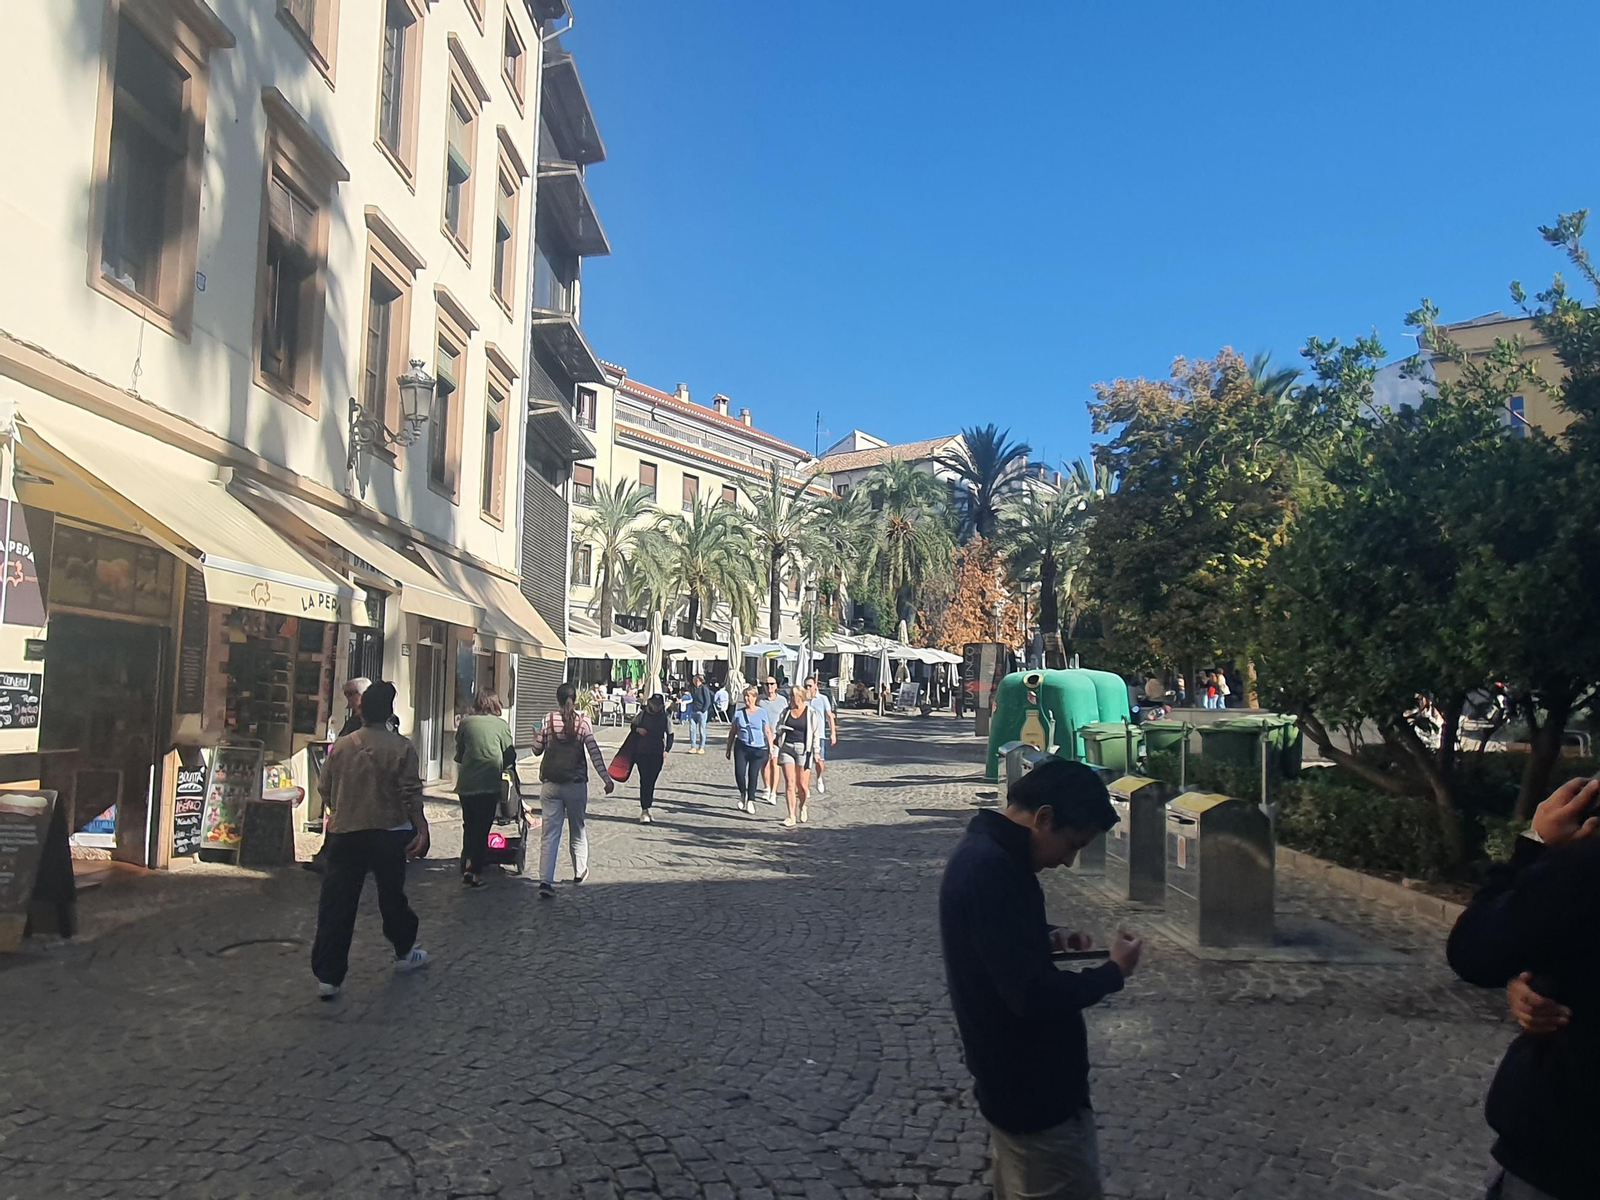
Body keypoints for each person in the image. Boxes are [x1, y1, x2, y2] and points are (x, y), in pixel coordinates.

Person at [939, 757, 1142, 1199]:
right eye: (1072, 844)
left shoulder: (989, 855)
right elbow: (1030, 996)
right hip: (1032, 1094)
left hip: (1022, 1087)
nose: (1068, 861)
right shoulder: (993, 869)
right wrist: (1112, 973)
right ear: (1044, 818)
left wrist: (1046, 936)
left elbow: (994, 939)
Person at [1446, 776, 1600, 1200]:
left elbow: (1474, 950)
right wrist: (1535, 976)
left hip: (1565, 1158)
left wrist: (1536, 845)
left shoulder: (1584, 868)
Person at [309, 682, 431, 1000]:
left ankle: (329, 976)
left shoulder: (341, 747)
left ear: (362, 711)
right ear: (388, 712)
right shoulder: (402, 748)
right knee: (392, 898)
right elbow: (411, 793)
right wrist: (421, 827)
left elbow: (324, 788)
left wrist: (342, 809)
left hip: (346, 832)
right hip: (389, 831)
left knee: (338, 902)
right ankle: (404, 950)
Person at [530, 682, 613, 899]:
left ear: (557, 699)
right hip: (576, 785)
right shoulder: (583, 721)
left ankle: (545, 881)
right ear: (574, 699)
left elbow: (537, 750)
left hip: (551, 784)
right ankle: (579, 870)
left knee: (550, 834)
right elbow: (594, 751)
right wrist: (606, 778)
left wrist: (536, 735)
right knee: (577, 828)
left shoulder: (548, 720)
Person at [453, 690, 515, 889]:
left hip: (467, 783)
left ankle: (466, 863)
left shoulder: (466, 723)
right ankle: (475, 872)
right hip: (488, 783)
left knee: (469, 824)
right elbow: (510, 755)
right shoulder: (501, 725)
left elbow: (459, 751)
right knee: (482, 828)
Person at [775, 684, 820, 828]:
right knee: (790, 783)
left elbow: (815, 733)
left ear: (799, 697)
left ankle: (803, 805)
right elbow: (778, 726)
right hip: (787, 748)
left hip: (803, 749)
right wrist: (780, 730)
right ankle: (791, 815)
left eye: (792, 695)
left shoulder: (810, 712)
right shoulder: (786, 711)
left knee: (802, 785)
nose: (790, 698)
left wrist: (816, 751)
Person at [726, 685, 773, 814]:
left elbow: (767, 731)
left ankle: (751, 800)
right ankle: (743, 793)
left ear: (755, 698)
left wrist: (771, 748)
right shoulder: (739, 713)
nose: (747, 699)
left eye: (749, 696)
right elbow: (733, 731)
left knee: (753, 774)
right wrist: (729, 748)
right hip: (742, 746)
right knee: (740, 773)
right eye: (745, 696)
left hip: (758, 748)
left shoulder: (762, 712)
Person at [630, 694, 671, 824]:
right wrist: (638, 729)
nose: (656, 707)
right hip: (642, 752)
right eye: (654, 704)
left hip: (657, 752)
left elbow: (670, 734)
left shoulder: (665, 717)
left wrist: (667, 750)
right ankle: (645, 809)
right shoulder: (642, 715)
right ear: (650, 704)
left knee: (651, 781)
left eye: (659, 705)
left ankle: (647, 807)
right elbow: (632, 726)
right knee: (644, 780)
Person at [805, 676, 839, 796]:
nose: (808, 688)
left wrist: (833, 733)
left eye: (810, 686)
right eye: (806, 686)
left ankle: (819, 777)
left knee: (819, 761)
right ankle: (805, 787)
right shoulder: (803, 699)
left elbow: (829, 716)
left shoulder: (823, 698)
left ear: (815, 686)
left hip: (819, 735)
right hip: (805, 735)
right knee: (806, 763)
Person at [757, 675, 788, 805]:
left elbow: (786, 718)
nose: (769, 686)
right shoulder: (760, 701)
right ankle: (767, 787)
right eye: (767, 684)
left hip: (776, 737)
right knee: (764, 763)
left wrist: (782, 733)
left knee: (775, 763)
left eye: (771, 684)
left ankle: (774, 792)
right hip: (762, 737)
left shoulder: (782, 701)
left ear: (776, 686)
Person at [688, 673, 712, 754]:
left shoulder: (704, 688)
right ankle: (693, 746)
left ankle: (701, 747)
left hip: (701, 712)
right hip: (693, 711)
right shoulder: (693, 689)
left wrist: (703, 710)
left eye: (694, 678)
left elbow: (708, 700)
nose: (693, 680)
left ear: (697, 679)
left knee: (702, 730)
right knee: (692, 730)